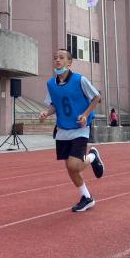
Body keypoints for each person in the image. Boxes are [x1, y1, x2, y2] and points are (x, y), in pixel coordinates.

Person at [40, 49, 105, 212]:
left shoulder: (79, 80)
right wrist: (46, 113)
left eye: (61, 57)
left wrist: (85, 114)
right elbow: (54, 105)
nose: (57, 60)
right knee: (70, 169)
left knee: (74, 164)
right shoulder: (51, 84)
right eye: (55, 57)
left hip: (79, 128)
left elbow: (96, 97)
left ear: (69, 63)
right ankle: (87, 198)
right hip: (62, 130)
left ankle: (92, 156)